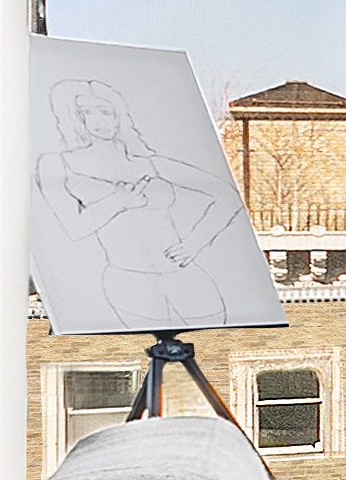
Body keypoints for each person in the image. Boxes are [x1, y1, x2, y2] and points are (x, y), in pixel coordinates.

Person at [38, 74, 243, 331]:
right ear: (75, 117)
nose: (98, 120)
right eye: (86, 112)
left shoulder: (149, 162)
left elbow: (227, 196)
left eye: (105, 111)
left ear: (119, 115)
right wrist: (119, 201)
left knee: (212, 348)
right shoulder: (58, 165)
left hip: (184, 275)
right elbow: (74, 228)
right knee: (149, 358)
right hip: (129, 280)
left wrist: (194, 243)